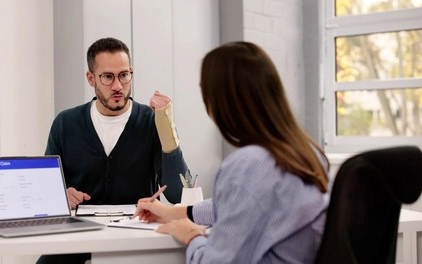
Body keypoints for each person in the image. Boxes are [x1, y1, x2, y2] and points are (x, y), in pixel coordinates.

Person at [135, 41, 330, 263]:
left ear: (222, 101)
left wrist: (191, 235)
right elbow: (234, 205)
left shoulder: (248, 165)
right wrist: (174, 213)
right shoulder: (307, 152)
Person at [37, 37, 188, 264]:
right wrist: (60, 195)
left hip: (136, 239)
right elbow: (44, 192)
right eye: (108, 77)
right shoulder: (65, 123)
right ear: (91, 78)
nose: (118, 86)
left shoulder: (151, 122)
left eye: (124, 75)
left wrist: (167, 128)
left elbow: (178, 195)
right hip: (78, 238)